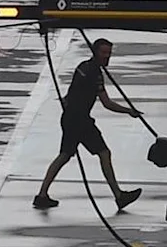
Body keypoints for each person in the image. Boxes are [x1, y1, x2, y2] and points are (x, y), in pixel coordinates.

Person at [30, 36, 144, 211]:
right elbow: (107, 103)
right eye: (104, 53)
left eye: (109, 53)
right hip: (80, 120)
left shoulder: (83, 67)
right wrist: (129, 111)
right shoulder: (95, 74)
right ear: (95, 52)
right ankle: (119, 196)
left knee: (64, 155)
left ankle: (42, 195)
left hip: (70, 117)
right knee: (104, 153)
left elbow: (68, 96)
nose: (107, 56)